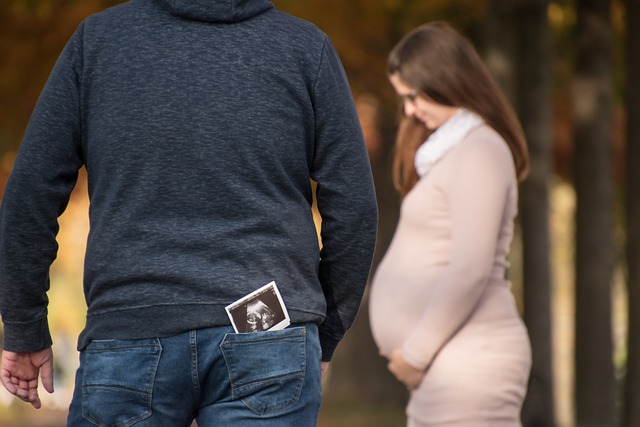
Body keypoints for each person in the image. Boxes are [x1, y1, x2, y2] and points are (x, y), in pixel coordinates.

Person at [0, 1, 378, 425]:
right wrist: (322, 332)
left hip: (130, 330)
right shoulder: (307, 49)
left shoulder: (99, 43)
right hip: (270, 335)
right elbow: (354, 209)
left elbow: (30, 192)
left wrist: (24, 326)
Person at [369, 22, 532, 427]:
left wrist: (416, 354)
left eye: (412, 96)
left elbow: (470, 267)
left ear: (444, 80)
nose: (408, 110)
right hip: (450, 368)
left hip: (468, 365)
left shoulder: (481, 150)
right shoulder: (451, 152)